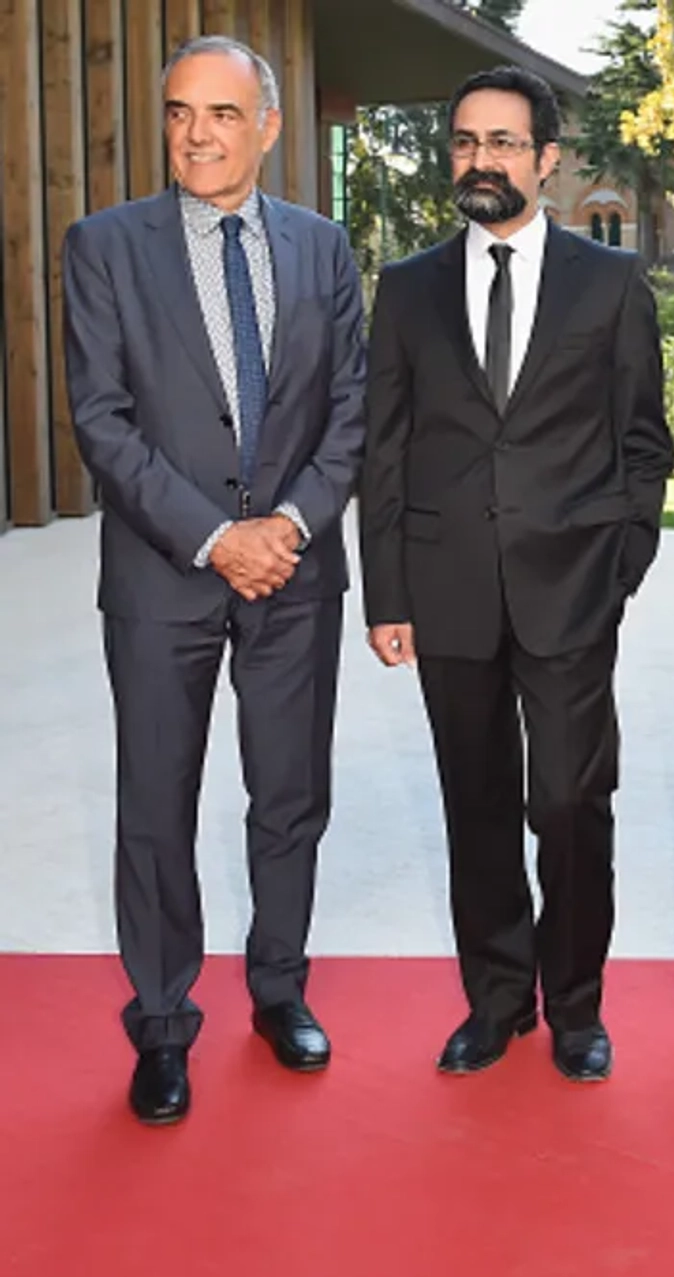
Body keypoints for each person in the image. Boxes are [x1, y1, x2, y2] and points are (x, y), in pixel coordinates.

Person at [62, 35, 367, 1124]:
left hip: (295, 568)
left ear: (269, 128)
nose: (198, 133)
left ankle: (280, 990)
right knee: (156, 803)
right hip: (162, 574)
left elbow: (350, 411)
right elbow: (102, 420)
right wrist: (213, 536)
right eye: (182, 112)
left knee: (288, 795)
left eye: (224, 114)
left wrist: (284, 524)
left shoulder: (324, 246)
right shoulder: (101, 246)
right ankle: (160, 1022)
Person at [358, 66, 673, 1082]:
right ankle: (497, 998)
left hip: (573, 585)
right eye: (464, 141)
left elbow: (642, 445)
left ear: (546, 158)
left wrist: (617, 566)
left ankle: (577, 1005)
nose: (480, 159)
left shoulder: (609, 282)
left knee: (574, 803)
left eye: (502, 142)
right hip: (447, 590)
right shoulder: (405, 289)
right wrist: (388, 593)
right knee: (479, 801)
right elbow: (385, 450)